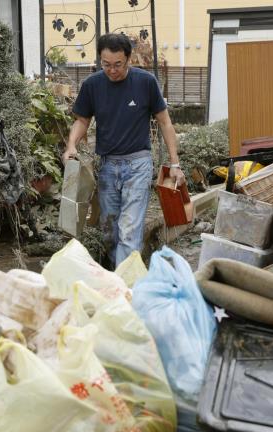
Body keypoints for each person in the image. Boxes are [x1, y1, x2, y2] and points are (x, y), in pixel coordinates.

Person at [63, 33, 183, 267]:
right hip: (108, 165)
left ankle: (125, 289)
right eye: (106, 64)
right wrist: (71, 145)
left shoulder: (145, 82)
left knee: (129, 230)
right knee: (110, 231)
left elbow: (165, 122)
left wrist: (175, 163)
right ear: (100, 59)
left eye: (118, 64)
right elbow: (82, 121)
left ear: (129, 59)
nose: (112, 70)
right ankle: (118, 277)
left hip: (138, 164)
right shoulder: (92, 85)